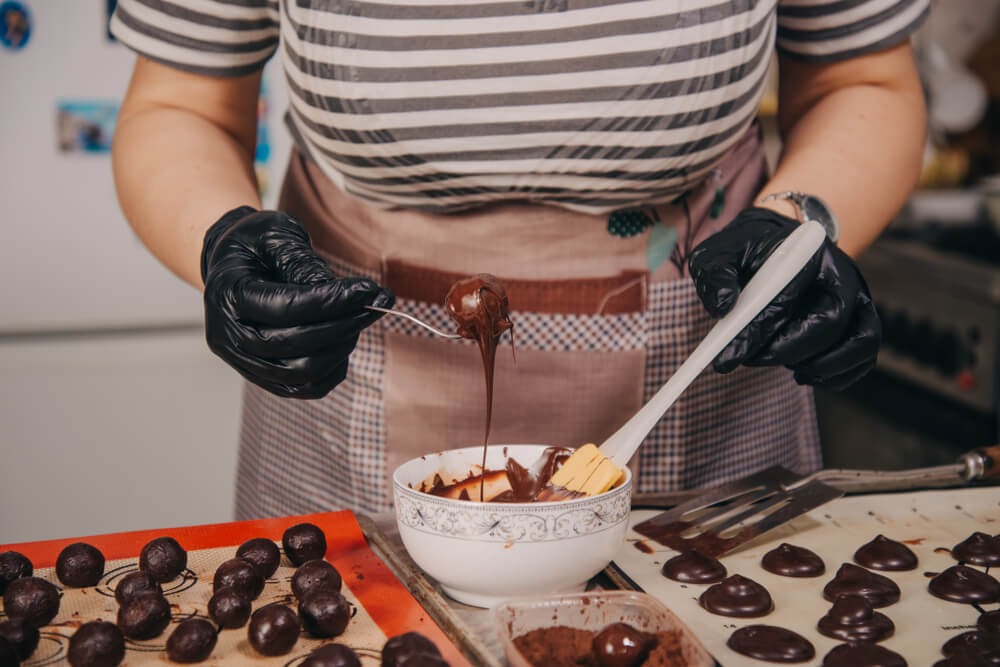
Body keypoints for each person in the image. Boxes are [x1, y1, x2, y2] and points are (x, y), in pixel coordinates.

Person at [108, 0, 929, 519]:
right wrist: (220, 241)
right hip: (349, 391)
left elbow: (862, 82)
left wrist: (803, 223)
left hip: (705, 373)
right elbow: (180, 104)